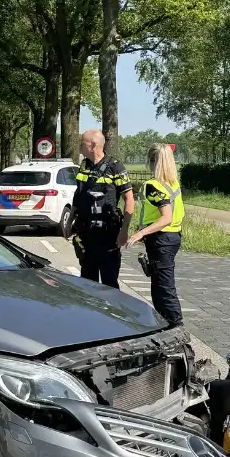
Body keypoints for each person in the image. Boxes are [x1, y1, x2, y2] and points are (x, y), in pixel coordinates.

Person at [123, 143, 185, 329]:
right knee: (160, 284)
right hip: (173, 237)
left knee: (163, 287)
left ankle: (175, 326)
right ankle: (166, 323)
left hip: (161, 239)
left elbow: (166, 217)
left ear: (151, 162)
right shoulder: (172, 183)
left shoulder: (152, 186)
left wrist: (140, 233)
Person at [67, 129, 134, 288]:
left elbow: (129, 199)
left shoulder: (115, 167)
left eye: (82, 144)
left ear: (93, 145)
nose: (79, 148)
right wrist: (70, 221)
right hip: (86, 235)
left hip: (108, 236)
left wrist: (125, 230)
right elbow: (79, 194)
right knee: (87, 284)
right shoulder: (84, 165)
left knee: (109, 284)